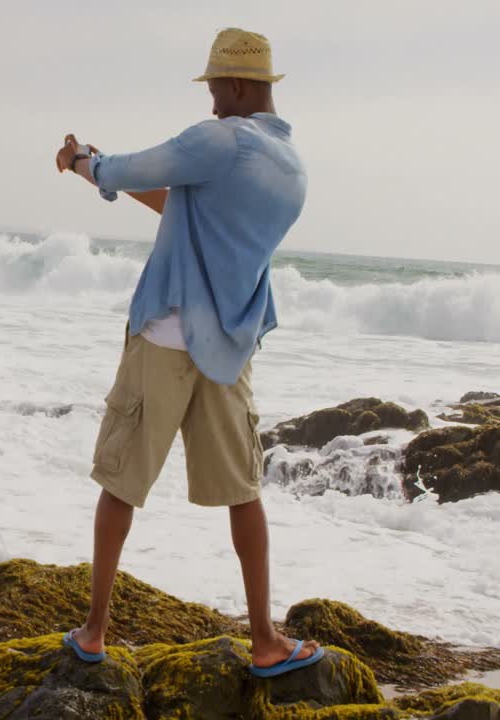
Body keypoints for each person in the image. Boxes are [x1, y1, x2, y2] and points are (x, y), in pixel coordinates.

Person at [54, 28, 323, 677]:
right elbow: (181, 206)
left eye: (214, 91)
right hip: (229, 349)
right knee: (243, 493)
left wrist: (83, 162)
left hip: (166, 336)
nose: (209, 105)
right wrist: (106, 177)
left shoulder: (216, 141)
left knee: (122, 482)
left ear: (233, 87)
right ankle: (265, 639)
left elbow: (129, 168)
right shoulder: (289, 169)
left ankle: (94, 631)